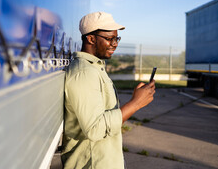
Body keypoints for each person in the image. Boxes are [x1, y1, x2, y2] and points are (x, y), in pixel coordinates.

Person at [61, 11, 155, 169]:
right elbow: (95, 129)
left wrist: (136, 100)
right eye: (110, 38)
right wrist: (135, 103)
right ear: (91, 38)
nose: (115, 44)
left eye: (116, 38)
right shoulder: (84, 73)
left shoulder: (94, 68)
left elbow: (104, 118)